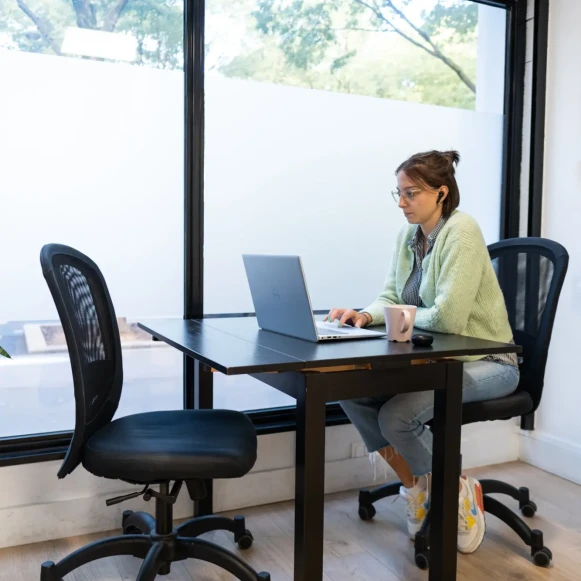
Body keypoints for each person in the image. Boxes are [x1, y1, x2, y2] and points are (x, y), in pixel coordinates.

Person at [324, 150, 519, 555]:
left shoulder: (461, 231)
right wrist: (363, 315)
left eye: (411, 193)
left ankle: (458, 493)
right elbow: (391, 297)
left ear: (441, 193)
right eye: (397, 193)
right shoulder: (407, 237)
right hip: (439, 361)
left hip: (489, 363)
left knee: (397, 415)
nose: (401, 202)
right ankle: (417, 487)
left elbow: (448, 317)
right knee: (348, 389)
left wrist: (393, 317)